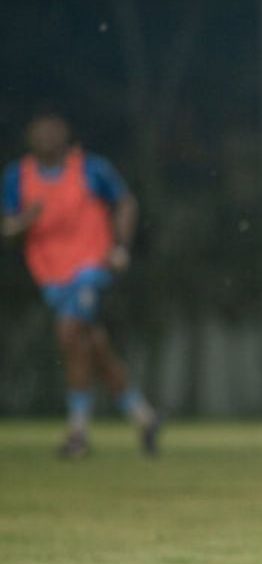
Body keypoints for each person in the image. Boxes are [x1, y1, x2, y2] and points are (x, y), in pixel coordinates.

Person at [2, 111, 160, 459]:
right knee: (92, 344)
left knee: (69, 332)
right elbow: (8, 229)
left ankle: (78, 431)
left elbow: (125, 201)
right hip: (51, 276)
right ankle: (143, 415)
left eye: (52, 130)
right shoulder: (18, 176)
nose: (46, 137)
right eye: (38, 131)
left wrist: (120, 246)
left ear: (65, 134)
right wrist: (26, 221)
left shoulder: (91, 168)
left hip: (91, 268)